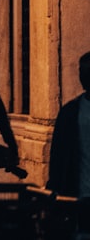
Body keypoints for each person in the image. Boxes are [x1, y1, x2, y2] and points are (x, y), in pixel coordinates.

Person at [48, 52, 90, 205]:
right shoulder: (70, 112)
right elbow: (58, 154)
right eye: (82, 71)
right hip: (79, 194)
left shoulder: (70, 111)